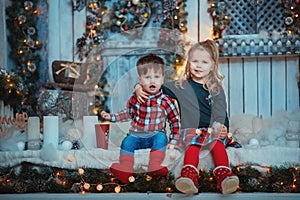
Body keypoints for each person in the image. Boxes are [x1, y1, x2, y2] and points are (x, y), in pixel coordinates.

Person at [135, 39, 241, 194]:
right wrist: (139, 87)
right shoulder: (181, 86)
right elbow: (156, 87)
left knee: (217, 145)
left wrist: (223, 126)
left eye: (204, 62)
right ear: (188, 63)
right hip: (192, 131)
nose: (198, 65)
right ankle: (189, 178)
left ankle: (224, 177)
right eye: (195, 61)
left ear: (212, 65)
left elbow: (221, 112)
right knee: (192, 147)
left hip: (213, 131)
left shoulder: (216, 89)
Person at [101, 54, 180, 184]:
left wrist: (174, 141)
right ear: (140, 80)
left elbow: (174, 121)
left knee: (161, 138)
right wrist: (112, 117)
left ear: (162, 79)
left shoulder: (166, 101)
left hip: (155, 135)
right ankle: (125, 169)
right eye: (147, 77)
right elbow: (128, 113)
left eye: (156, 77)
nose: (152, 81)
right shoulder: (136, 98)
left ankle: (154, 166)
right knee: (127, 142)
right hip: (137, 135)